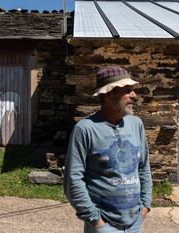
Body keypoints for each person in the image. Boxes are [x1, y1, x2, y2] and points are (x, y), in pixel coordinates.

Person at [64, 66, 152, 233]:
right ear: (109, 94)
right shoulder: (86, 129)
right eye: (127, 90)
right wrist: (95, 219)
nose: (134, 96)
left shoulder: (136, 124)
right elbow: (72, 180)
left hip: (135, 223)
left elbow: (143, 167)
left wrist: (145, 205)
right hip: (105, 226)